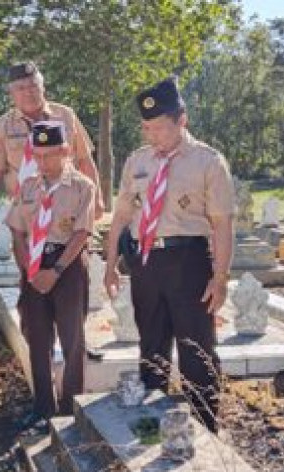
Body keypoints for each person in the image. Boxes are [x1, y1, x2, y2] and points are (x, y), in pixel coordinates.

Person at [104, 77, 234, 433]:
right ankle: (154, 423)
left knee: (196, 349)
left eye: (159, 127)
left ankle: (206, 428)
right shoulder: (137, 161)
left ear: (182, 120)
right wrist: (110, 262)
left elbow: (222, 224)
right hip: (145, 261)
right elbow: (122, 215)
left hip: (188, 261)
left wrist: (220, 278)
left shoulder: (208, 161)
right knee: (151, 345)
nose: (152, 135)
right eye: (146, 127)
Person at [6, 121, 95, 431]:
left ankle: (71, 408)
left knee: (72, 338)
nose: (42, 162)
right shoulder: (28, 185)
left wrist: (55, 271)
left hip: (67, 265)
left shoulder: (82, 186)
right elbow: (17, 231)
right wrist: (28, 270)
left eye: (49, 155)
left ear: (65, 151)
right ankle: (43, 406)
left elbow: (82, 233)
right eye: (38, 155)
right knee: (38, 336)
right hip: (33, 263)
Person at [0, 61, 103, 241]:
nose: (28, 92)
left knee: (73, 263)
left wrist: (97, 199)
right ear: (12, 93)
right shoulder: (2, 127)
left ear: (42, 87)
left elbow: (85, 159)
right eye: (21, 88)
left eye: (33, 86)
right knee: (28, 265)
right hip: (25, 211)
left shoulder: (65, 115)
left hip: (68, 206)